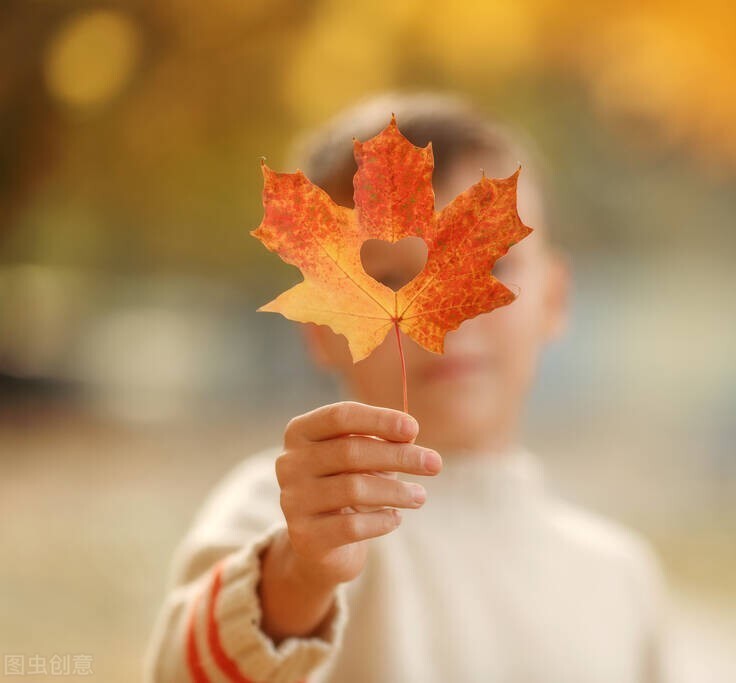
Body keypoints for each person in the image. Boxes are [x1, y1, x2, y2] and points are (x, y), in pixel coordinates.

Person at [144, 90, 681, 683]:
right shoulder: (291, 515)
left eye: (490, 266)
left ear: (556, 298)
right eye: (386, 281)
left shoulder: (619, 577)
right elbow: (185, 669)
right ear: (320, 327)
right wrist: (299, 577)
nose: (446, 314)